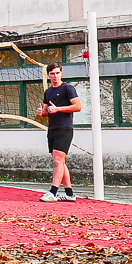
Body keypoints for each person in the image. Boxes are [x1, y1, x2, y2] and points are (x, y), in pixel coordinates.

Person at [36, 63, 81, 202]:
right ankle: (69, 193)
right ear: (48, 75)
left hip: (64, 128)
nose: (55, 76)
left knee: (57, 161)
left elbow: (78, 106)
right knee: (60, 162)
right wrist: (41, 113)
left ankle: (53, 192)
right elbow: (45, 112)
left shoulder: (68, 88)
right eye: (52, 74)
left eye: (57, 73)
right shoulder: (48, 92)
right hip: (52, 129)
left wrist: (58, 109)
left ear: (61, 73)